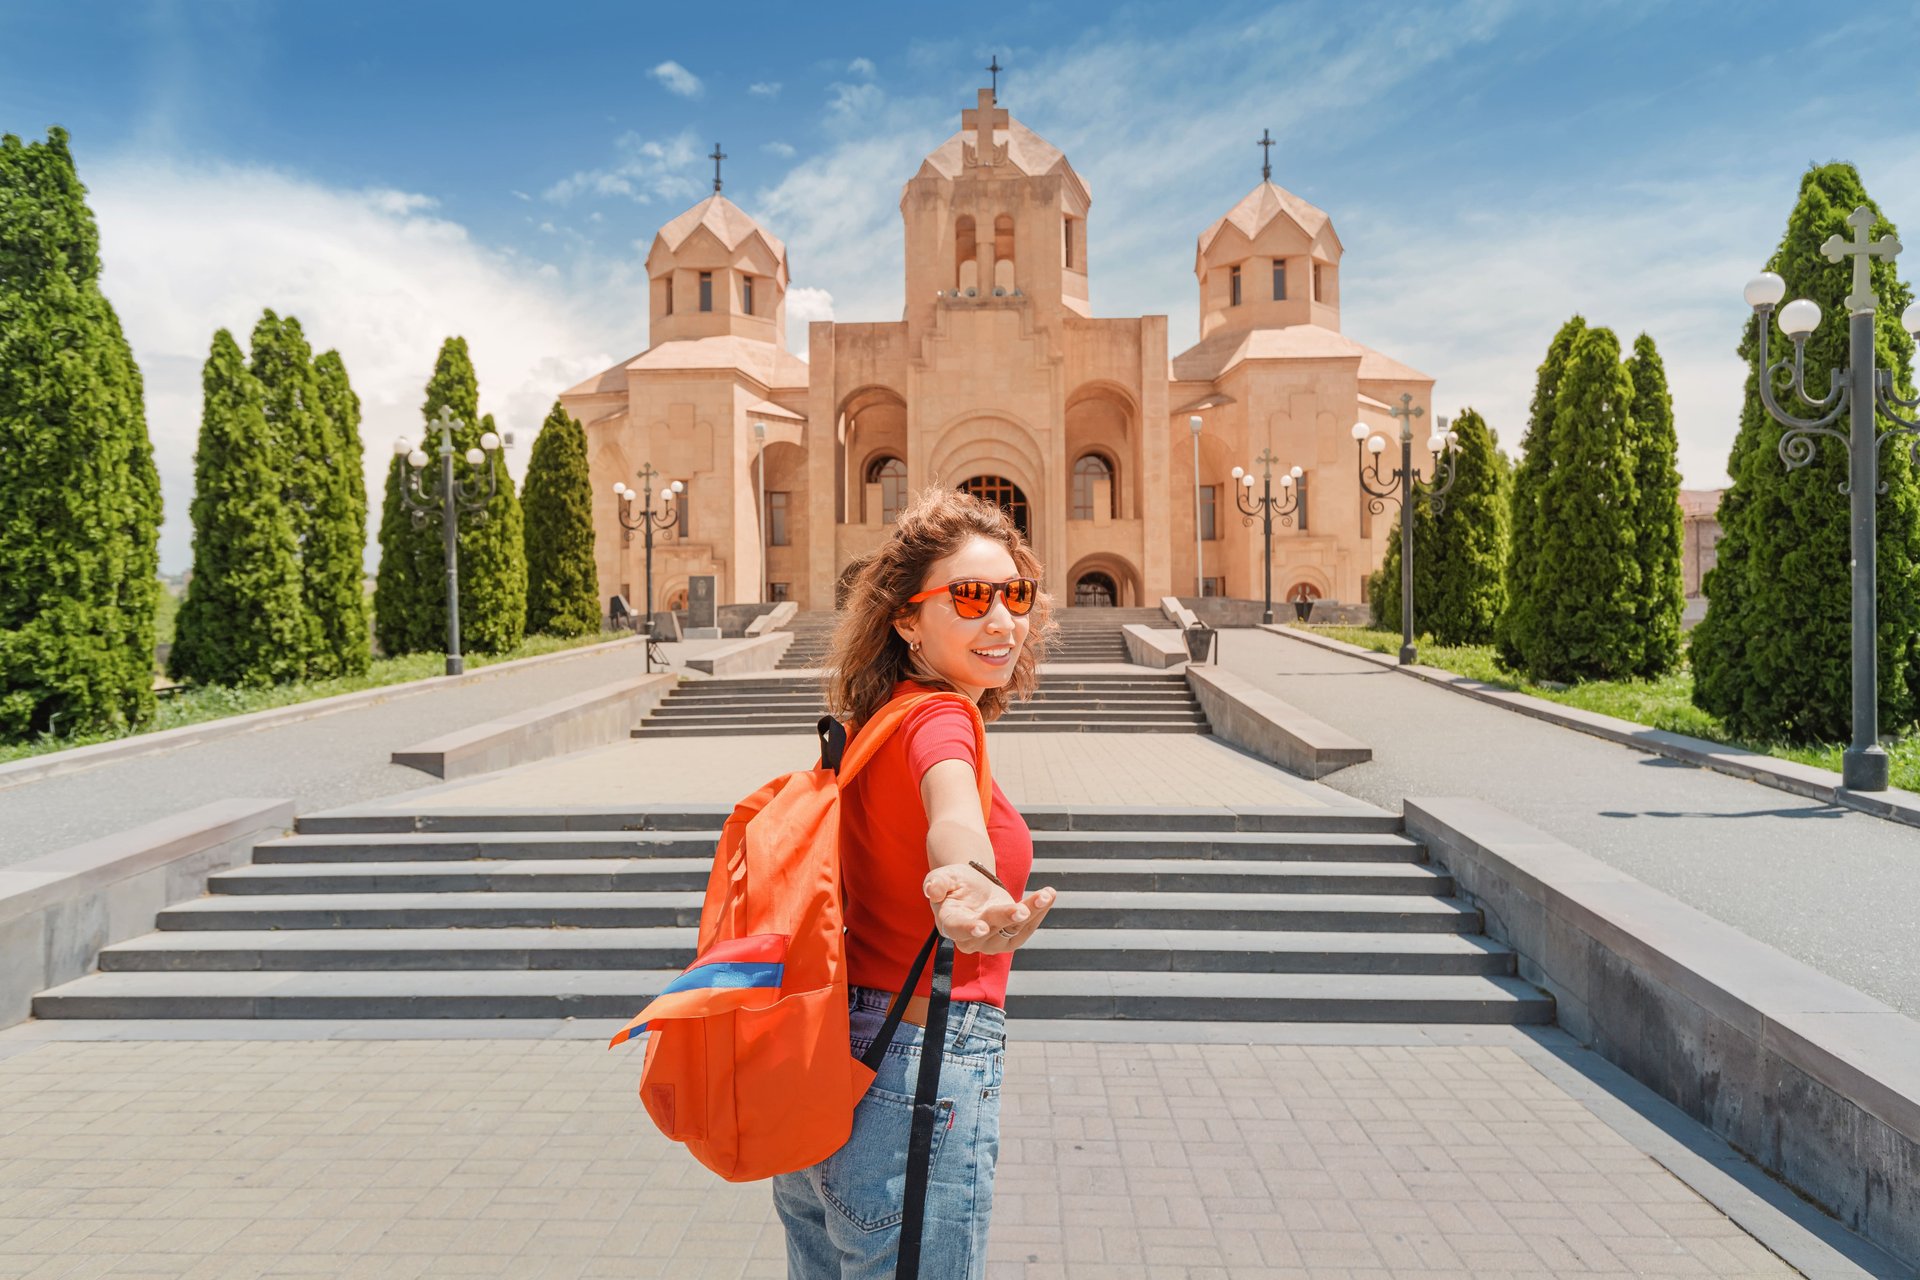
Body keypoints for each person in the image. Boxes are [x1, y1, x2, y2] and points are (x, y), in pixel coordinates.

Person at [771, 486, 1060, 1279]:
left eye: (1016, 594)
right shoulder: (940, 721)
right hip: (914, 1065)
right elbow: (952, 809)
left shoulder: (874, 724)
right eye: (969, 597)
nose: (999, 619)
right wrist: (966, 880)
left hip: (830, 1064)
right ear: (907, 619)